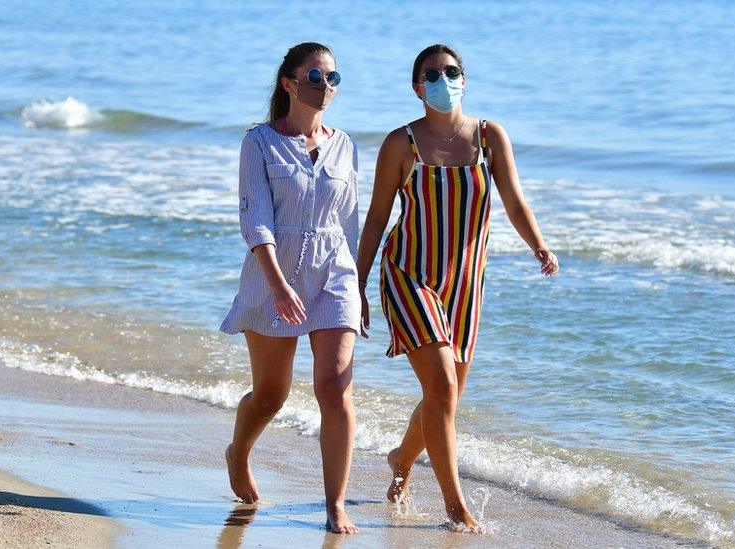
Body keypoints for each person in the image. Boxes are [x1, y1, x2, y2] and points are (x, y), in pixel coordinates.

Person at [356, 44, 560, 532]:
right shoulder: (400, 144)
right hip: (409, 275)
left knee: (442, 399)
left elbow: (513, 199)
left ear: (464, 81)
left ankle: (400, 461)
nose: (443, 79)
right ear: (417, 86)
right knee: (443, 388)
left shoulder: (490, 137)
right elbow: (378, 218)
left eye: (452, 72)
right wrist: (357, 285)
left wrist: (540, 246)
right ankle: (456, 508)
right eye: (432, 74)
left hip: (466, 286)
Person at [219, 42, 361, 534]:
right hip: (271, 275)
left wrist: (358, 290)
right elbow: (255, 220)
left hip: (334, 274)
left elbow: (350, 224)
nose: (326, 87)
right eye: (316, 77)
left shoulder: (346, 145)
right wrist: (278, 285)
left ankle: (334, 504)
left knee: (335, 389)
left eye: (334, 78)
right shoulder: (258, 143)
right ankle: (238, 454)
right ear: (289, 83)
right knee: (271, 396)